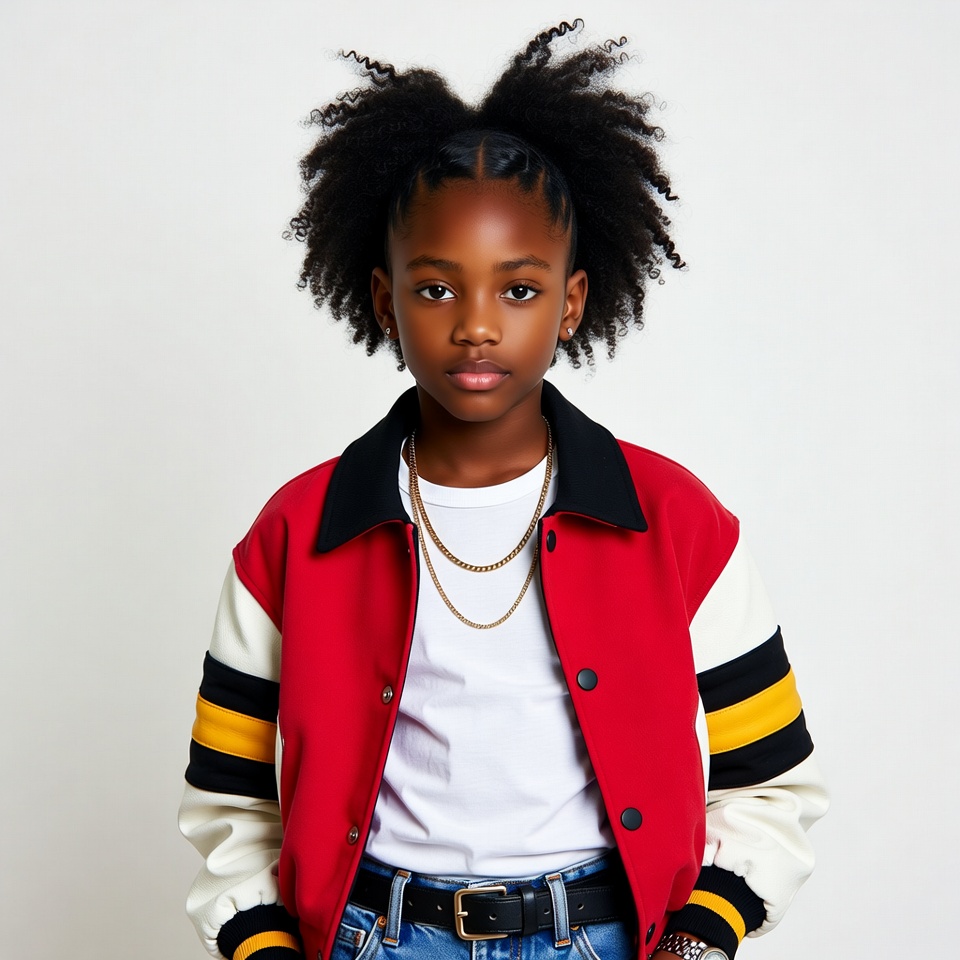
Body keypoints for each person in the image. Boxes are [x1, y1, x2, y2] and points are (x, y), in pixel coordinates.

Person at [179, 21, 828, 960]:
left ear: (570, 302)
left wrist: (698, 939)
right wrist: (263, 946)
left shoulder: (677, 523)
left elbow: (771, 781)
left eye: (517, 291)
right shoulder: (295, 532)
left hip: (604, 940)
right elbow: (229, 797)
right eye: (437, 290)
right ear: (382, 299)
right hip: (375, 939)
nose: (477, 327)